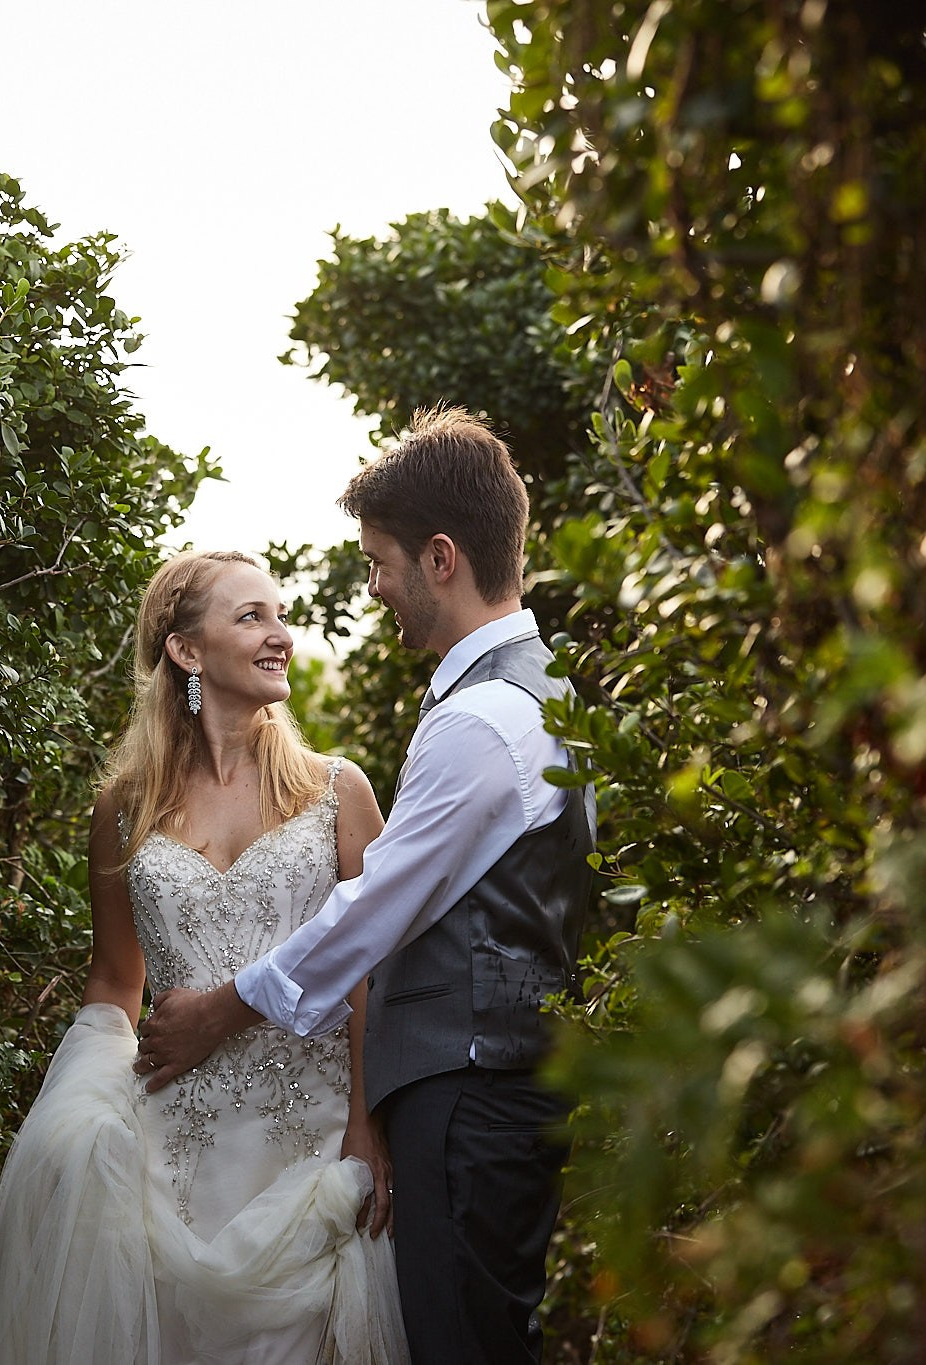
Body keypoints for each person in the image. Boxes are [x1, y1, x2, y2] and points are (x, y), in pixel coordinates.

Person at [134, 408, 594, 1365]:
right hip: (481, 1087)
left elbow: (372, 911)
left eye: (379, 562)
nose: (373, 587)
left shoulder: (484, 721)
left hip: (466, 1093)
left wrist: (221, 1007)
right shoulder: (536, 691)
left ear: (438, 558)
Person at [0, 550, 409, 1365]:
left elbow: (371, 974)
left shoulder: (337, 791)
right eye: (252, 617)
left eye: (280, 616)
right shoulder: (124, 806)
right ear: (186, 650)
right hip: (170, 1156)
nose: (279, 634)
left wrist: (366, 1127)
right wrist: (81, 1117)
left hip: (313, 1150)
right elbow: (113, 981)